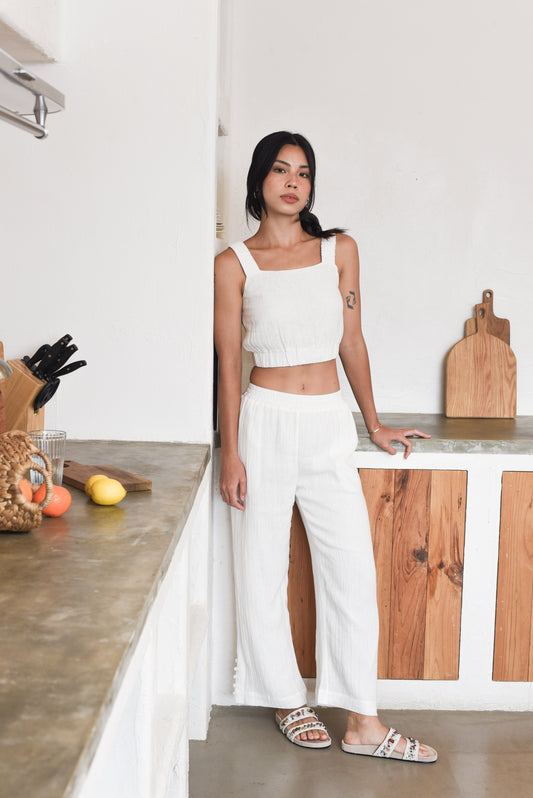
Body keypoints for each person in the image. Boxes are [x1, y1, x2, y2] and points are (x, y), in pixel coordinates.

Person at [214, 131, 437, 763]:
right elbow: (230, 362)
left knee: (350, 572)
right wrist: (232, 451)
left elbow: (353, 342)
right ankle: (286, 699)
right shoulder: (233, 265)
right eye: (281, 170)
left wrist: (374, 422)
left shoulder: (339, 251)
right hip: (263, 422)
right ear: (259, 180)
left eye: (304, 173)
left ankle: (364, 722)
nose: (293, 182)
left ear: (311, 185)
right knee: (259, 567)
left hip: (327, 422)